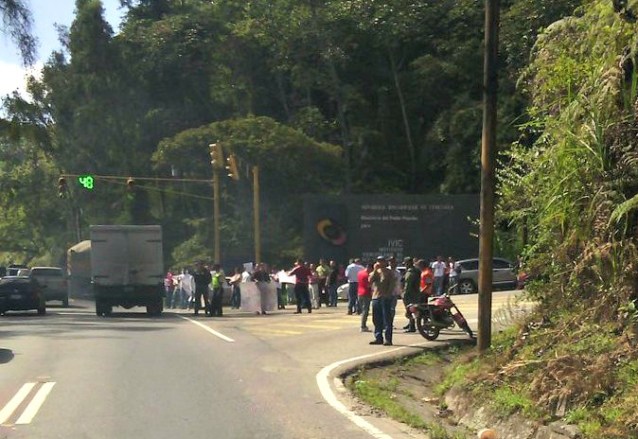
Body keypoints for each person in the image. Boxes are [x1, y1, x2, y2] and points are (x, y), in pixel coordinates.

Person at [368, 256, 397, 346]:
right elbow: (370, 281)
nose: (380, 263)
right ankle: (378, 337)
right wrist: (375, 270)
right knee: (376, 319)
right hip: (376, 297)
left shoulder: (389, 272)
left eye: (382, 261)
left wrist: (388, 294)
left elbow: (392, 284)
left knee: (387, 319)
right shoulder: (376, 272)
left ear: (385, 262)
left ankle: (388, 339)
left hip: (385, 297)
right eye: (378, 261)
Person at [402, 257, 422, 333]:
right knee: (413, 310)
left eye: (406, 264)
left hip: (410, 294)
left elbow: (408, 285)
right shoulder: (417, 270)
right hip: (416, 293)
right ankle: (411, 324)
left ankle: (412, 326)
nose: (405, 265)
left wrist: (404, 294)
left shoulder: (410, 272)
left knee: (410, 310)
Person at [357, 261, 374, 332]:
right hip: (366, 293)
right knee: (365, 310)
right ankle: (363, 325)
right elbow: (369, 285)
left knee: (363, 309)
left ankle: (363, 325)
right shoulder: (368, 275)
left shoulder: (360, 273)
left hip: (359, 292)